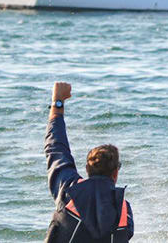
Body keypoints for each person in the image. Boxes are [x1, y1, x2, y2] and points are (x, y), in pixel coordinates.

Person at [44, 82, 133, 242]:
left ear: (87, 168)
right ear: (115, 173)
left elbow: (55, 147)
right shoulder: (124, 210)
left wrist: (58, 101)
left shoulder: (69, 190)